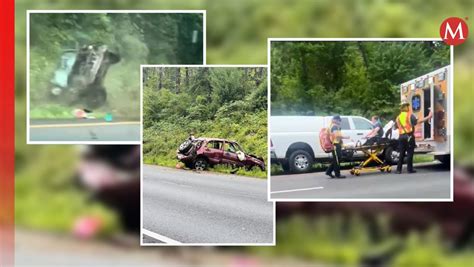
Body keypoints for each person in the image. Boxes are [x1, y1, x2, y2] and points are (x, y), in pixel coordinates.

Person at [396, 101, 432, 174]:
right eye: (407, 106)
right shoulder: (409, 115)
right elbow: (419, 121)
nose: (408, 107)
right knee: (410, 153)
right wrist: (429, 117)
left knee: (401, 153)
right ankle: (410, 169)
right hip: (409, 136)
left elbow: (397, 126)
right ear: (406, 107)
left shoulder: (398, 117)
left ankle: (398, 170)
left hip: (401, 137)